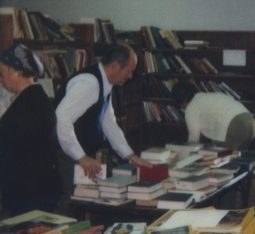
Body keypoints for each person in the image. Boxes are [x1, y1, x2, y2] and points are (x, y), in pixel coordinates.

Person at [54, 44, 151, 207]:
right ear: (115, 66)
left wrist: (131, 157)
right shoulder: (89, 83)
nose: (130, 75)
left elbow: (108, 123)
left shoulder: (105, 83)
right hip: (66, 155)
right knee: (73, 204)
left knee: (86, 202)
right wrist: (81, 157)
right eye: (129, 70)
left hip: (77, 155)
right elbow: (62, 118)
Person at [0, 43, 62, 216]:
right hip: (37, 188)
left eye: (2, 72)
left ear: (17, 71)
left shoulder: (28, 103)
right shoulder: (34, 97)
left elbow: (12, 145)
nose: (1, 78)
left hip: (30, 191)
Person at [171, 81, 255, 150]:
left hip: (234, 125)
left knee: (225, 164)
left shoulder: (191, 107)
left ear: (181, 100)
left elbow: (194, 138)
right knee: (239, 162)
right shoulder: (205, 97)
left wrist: (185, 155)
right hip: (250, 122)